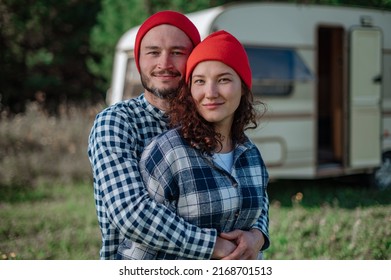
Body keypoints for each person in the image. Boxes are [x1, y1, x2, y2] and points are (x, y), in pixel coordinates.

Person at [88, 11, 247, 260]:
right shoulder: (117, 121)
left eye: (177, 52)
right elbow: (131, 213)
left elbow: (249, 180)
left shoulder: (211, 116)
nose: (164, 63)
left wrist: (258, 233)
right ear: (139, 60)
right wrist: (212, 246)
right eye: (153, 52)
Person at [137, 30, 270, 260]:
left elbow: (258, 212)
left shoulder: (251, 154)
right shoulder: (168, 152)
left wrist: (257, 237)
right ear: (189, 90)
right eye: (200, 81)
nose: (210, 92)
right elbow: (142, 245)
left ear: (243, 86)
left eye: (224, 79)